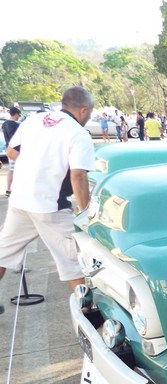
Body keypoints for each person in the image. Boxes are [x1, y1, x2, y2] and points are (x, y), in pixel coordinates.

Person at [0, 86, 95, 315]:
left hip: (20, 200)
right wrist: (86, 214)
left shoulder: (34, 120)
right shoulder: (78, 133)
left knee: (3, 251)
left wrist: (35, 165)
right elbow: (78, 176)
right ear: (83, 110)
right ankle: (89, 314)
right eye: (90, 112)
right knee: (74, 260)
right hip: (50, 206)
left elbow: (11, 152)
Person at [2, 107, 22, 195]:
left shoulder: (4, 124)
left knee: (11, 169)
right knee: (20, 169)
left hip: (9, 148)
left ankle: (8, 189)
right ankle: (19, 189)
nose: (19, 116)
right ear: (16, 114)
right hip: (17, 150)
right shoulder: (17, 125)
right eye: (19, 115)